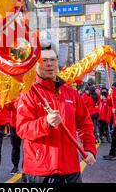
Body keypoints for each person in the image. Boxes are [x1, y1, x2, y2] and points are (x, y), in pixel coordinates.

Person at [16, 43, 96, 183]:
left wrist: (89, 149)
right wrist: (45, 122)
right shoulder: (29, 93)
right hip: (41, 171)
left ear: (58, 62)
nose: (49, 64)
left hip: (71, 169)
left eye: (53, 60)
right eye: (44, 60)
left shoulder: (71, 93)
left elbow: (85, 124)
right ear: (35, 65)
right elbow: (22, 129)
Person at [5, 99, 21, 174]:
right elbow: (8, 107)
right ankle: (15, 166)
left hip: (27, 122)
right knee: (15, 146)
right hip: (14, 124)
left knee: (27, 147)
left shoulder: (27, 91)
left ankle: (25, 167)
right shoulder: (13, 92)